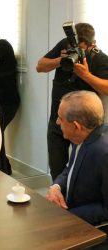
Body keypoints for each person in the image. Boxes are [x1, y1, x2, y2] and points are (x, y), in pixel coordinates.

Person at [36, 22, 108, 180]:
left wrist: (86, 75)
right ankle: (57, 198)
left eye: (80, 49)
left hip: (84, 127)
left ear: (91, 45)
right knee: (56, 168)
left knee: (81, 171)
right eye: (73, 49)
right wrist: (60, 60)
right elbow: (40, 66)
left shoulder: (100, 59)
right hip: (58, 121)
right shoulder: (65, 46)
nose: (75, 52)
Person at [46, 91, 108, 229]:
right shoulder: (82, 136)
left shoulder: (104, 154)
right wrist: (56, 187)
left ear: (76, 126)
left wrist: (68, 216)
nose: (57, 122)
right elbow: (70, 168)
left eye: (60, 118)